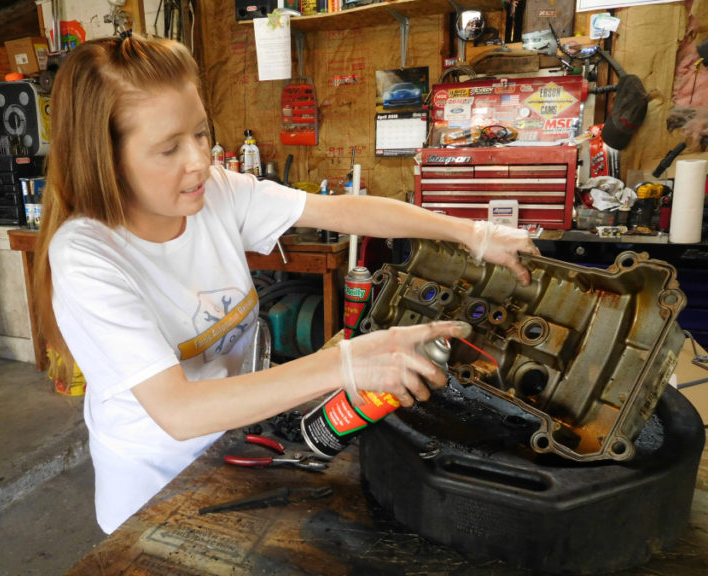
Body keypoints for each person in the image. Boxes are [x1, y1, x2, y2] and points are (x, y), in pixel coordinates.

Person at [32, 34, 539, 534]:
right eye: (168, 149)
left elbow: (339, 209)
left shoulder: (216, 193)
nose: (199, 161)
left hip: (232, 449)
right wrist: (341, 364)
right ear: (105, 157)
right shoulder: (87, 258)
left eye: (201, 134)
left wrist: (472, 234)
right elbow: (178, 411)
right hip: (151, 496)